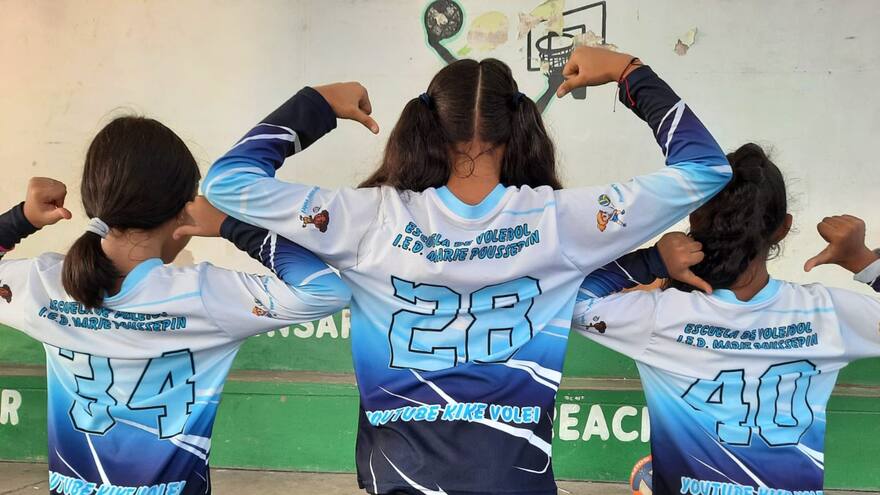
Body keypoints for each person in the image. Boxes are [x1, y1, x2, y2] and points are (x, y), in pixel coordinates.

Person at [197, 46, 732, 494]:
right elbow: (705, 167)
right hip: (516, 479)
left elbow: (226, 181)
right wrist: (627, 71)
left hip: (402, 479)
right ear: (520, 125)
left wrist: (316, 104)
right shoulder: (561, 223)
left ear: (427, 124)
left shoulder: (368, 220)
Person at [0, 116, 350, 494]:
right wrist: (233, 225)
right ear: (183, 211)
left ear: (92, 199)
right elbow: (325, 291)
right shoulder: (202, 294)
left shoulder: (44, 283)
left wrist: (21, 219)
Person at [572, 143, 880, 494]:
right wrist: (864, 261)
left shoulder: (663, 317)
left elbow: (572, 299)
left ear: (694, 221)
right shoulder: (828, 313)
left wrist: (653, 260)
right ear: (783, 228)